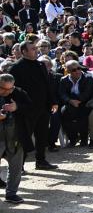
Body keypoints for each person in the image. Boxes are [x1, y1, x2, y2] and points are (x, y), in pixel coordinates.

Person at [9, 41, 55, 170]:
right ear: (24, 51)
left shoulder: (40, 65)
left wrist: (52, 101)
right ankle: (19, 165)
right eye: (33, 49)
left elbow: (47, 84)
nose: (36, 50)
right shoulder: (16, 67)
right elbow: (13, 89)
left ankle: (41, 161)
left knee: (42, 135)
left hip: (43, 107)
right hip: (26, 109)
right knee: (24, 138)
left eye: (36, 48)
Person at [0, 73, 32, 204]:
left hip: (15, 136)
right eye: (3, 89)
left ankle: (11, 193)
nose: (7, 92)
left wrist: (17, 107)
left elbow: (31, 108)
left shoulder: (19, 93)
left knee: (16, 166)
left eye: (10, 89)